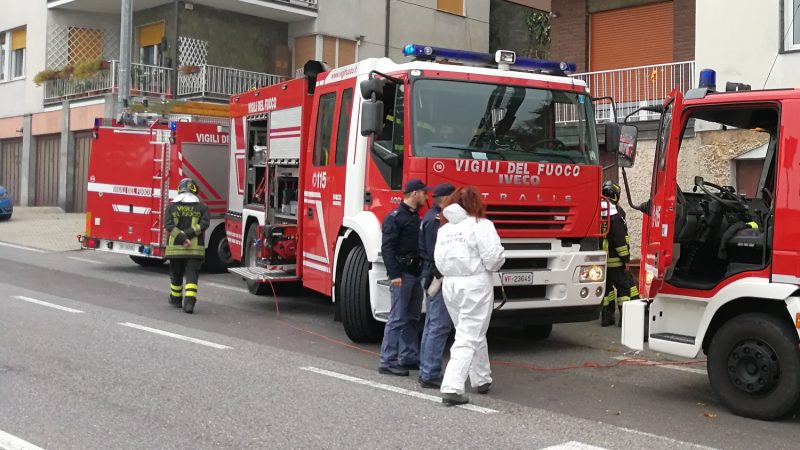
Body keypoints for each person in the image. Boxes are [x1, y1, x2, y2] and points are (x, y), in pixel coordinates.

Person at [434, 186, 505, 406]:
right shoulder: (481, 225)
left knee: (470, 330)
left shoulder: (445, 229)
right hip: (474, 283)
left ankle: (481, 378)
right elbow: (494, 259)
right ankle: (452, 386)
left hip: (450, 284)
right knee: (468, 335)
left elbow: (438, 260)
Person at [379, 178, 430, 376]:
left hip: (415, 273)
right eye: (424, 193)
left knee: (412, 317)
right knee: (397, 317)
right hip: (402, 274)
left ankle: (408, 356)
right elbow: (388, 247)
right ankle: (387, 360)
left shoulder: (416, 217)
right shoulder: (395, 217)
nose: (426, 197)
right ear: (415, 193)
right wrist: (394, 274)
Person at [418, 182, 457, 388]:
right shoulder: (436, 221)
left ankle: (426, 368)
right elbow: (437, 253)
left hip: (430, 273)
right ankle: (430, 372)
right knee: (439, 325)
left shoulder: (430, 217)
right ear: (446, 199)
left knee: (432, 323)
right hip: (437, 274)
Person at [165, 178, 210, 314]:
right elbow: (204, 224)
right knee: (192, 276)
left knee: (176, 274)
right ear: (195, 190)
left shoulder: (171, 206)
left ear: (179, 189)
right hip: (195, 251)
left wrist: (182, 237)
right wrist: (189, 235)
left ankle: (176, 299)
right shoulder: (202, 207)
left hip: (175, 250)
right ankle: (189, 303)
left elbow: (168, 226)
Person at [600, 180, 640, 327]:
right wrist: (626, 260)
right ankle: (625, 319)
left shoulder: (597, 212)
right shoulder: (615, 215)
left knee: (607, 289)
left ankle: (606, 317)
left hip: (601, 261)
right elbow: (620, 241)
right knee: (624, 288)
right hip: (616, 261)